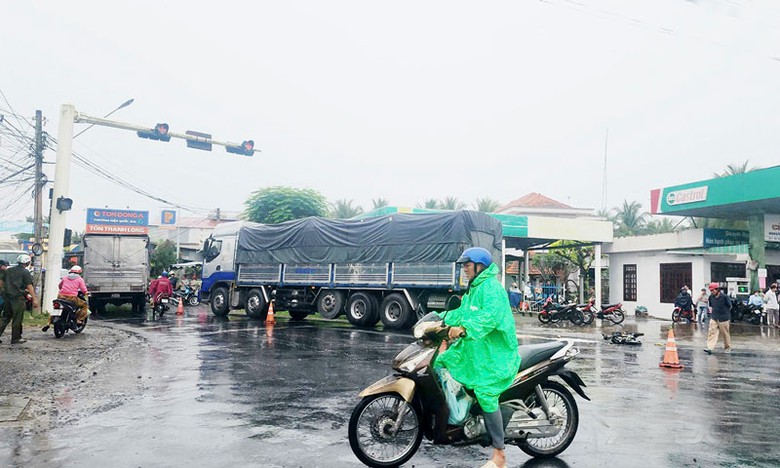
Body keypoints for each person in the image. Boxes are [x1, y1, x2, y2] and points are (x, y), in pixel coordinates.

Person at [435, 247, 519, 468]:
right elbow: (463, 313)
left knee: (485, 392)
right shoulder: (473, 289)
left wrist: (463, 328)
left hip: (494, 354)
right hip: (474, 349)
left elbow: (489, 317)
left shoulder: (492, 289)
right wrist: (438, 319)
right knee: (440, 362)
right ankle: (460, 412)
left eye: (467, 265)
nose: (464, 269)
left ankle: (499, 454)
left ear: (479, 266)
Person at [0, 254, 39, 344]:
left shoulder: (8, 270)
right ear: (27, 262)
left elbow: (1, 282)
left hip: (7, 297)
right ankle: (16, 338)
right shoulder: (25, 272)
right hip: (17, 298)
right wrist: (34, 299)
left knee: (5, 317)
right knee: (17, 318)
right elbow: (29, 286)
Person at [704, 282, 732, 354]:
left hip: (724, 318)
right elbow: (711, 306)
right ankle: (710, 347)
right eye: (711, 290)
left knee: (725, 333)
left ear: (717, 290)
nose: (712, 292)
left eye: (713, 290)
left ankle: (727, 347)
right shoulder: (711, 297)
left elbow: (730, 306)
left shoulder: (725, 297)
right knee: (712, 332)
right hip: (714, 316)